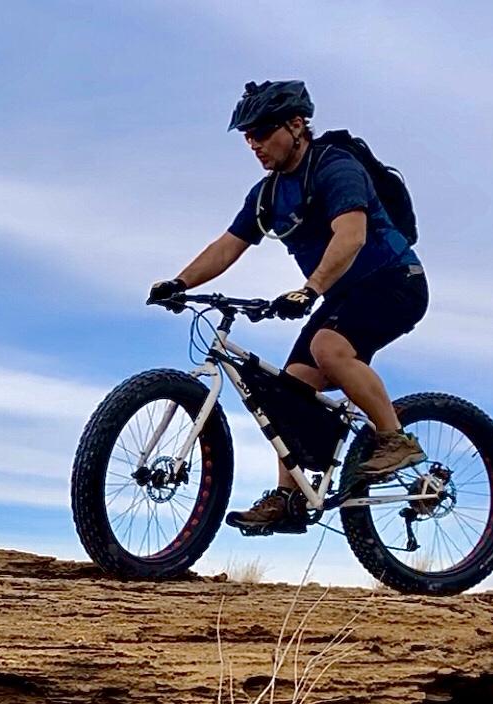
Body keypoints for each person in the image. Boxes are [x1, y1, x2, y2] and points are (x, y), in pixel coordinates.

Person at [148, 80, 429, 532]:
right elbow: (227, 246)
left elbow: (351, 236)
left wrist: (310, 288)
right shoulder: (267, 195)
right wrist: (179, 282)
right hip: (342, 293)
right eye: (248, 137)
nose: (254, 144)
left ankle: (394, 438)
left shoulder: (335, 167)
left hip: (395, 281)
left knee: (329, 349)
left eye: (262, 133)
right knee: (290, 389)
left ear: (297, 125)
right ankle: (289, 497)